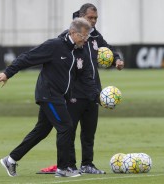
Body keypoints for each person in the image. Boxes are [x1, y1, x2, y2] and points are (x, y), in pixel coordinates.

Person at [0, 17, 98, 178]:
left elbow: (86, 78)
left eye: (87, 37)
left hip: (60, 97)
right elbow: (27, 58)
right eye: (83, 36)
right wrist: (7, 73)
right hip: (48, 94)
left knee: (41, 130)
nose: (85, 40)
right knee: (66, 126)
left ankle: (11, 159)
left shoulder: (81, 51)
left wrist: (97, 96)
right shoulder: (54, 46)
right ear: (72, 32)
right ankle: (63, 169)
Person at [58, 3, 125, 174]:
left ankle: (87, 164)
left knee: (89, 133)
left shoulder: (95, 36)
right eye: (90, 18)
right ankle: (70, 165)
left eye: (95, 18)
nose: (94, 21)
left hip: (93, 91)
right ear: (81, 16)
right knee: (70, 131)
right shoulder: (68, 36)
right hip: (73, 92)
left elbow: (108, 49)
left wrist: (116, 59)